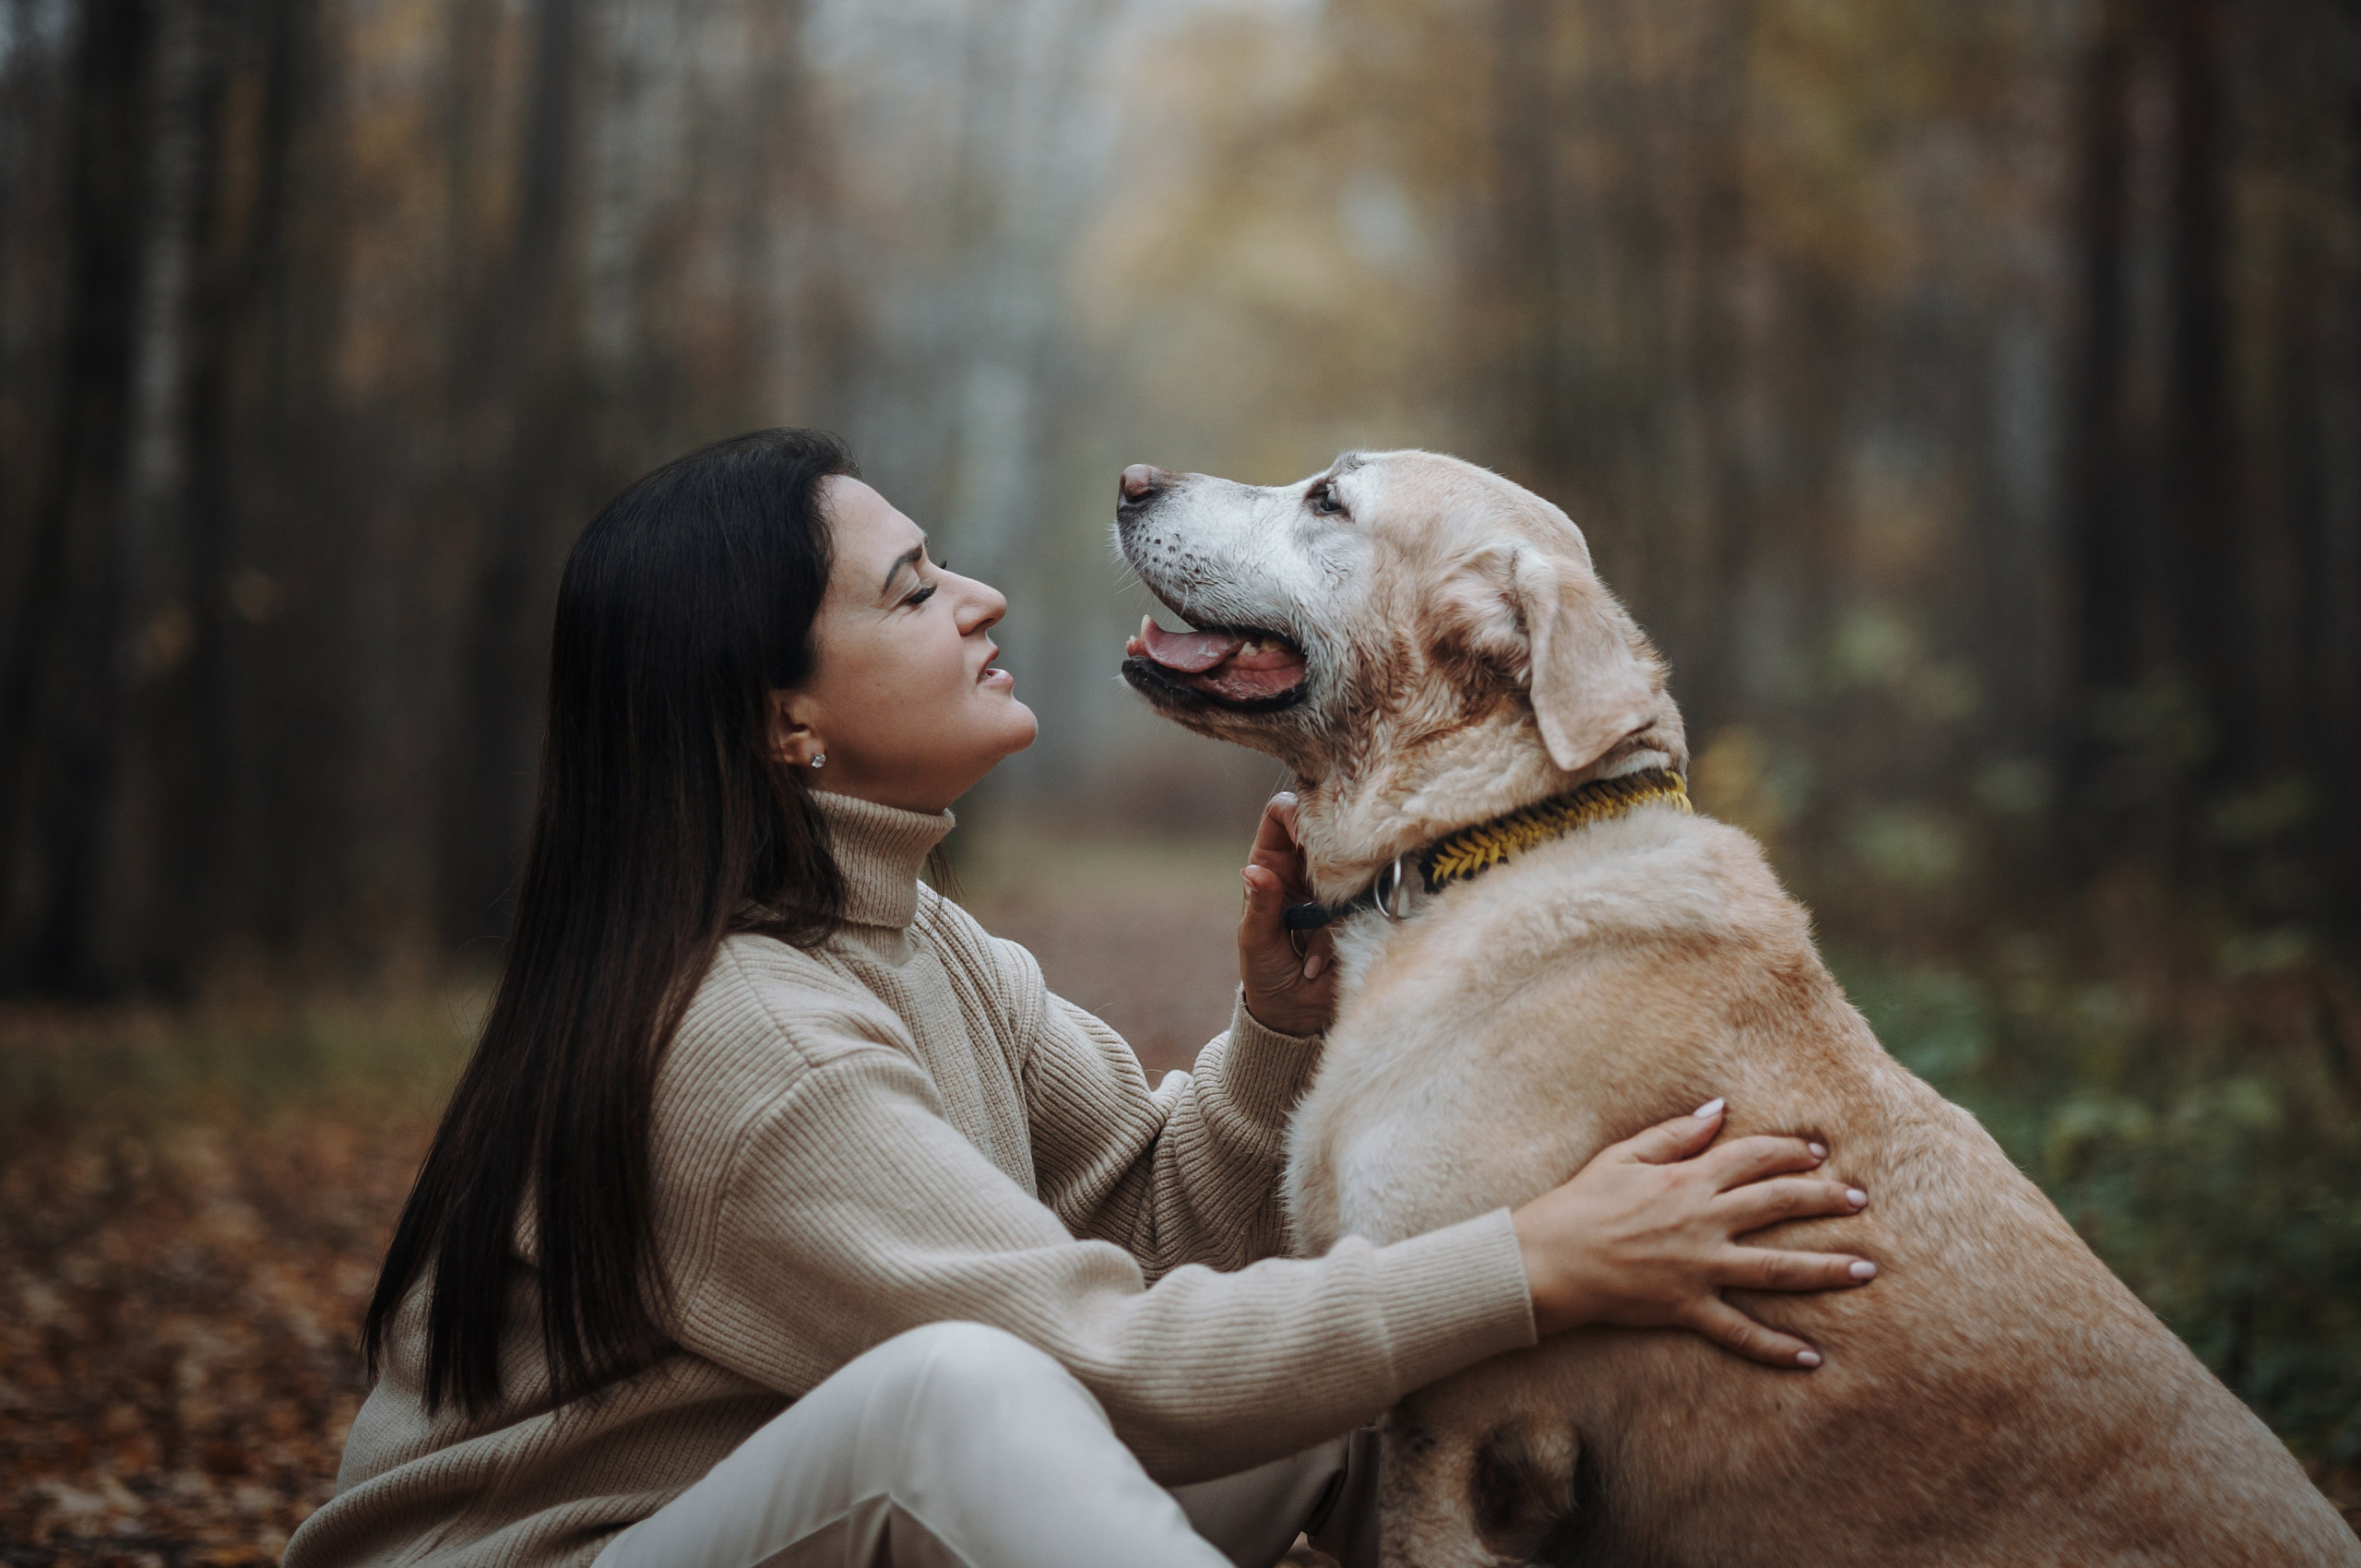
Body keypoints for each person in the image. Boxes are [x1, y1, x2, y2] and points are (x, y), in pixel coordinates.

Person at [282, 429, 1878, 1568]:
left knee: (1354, 1361)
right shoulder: (739, 1039)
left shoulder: (923, 943)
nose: (978, 598)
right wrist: (1532, 1261)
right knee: (961, 1397)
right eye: (911, 592)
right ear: (785, 722)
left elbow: (1157, 1230)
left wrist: (1277, 1036)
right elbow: (1098, 1359)